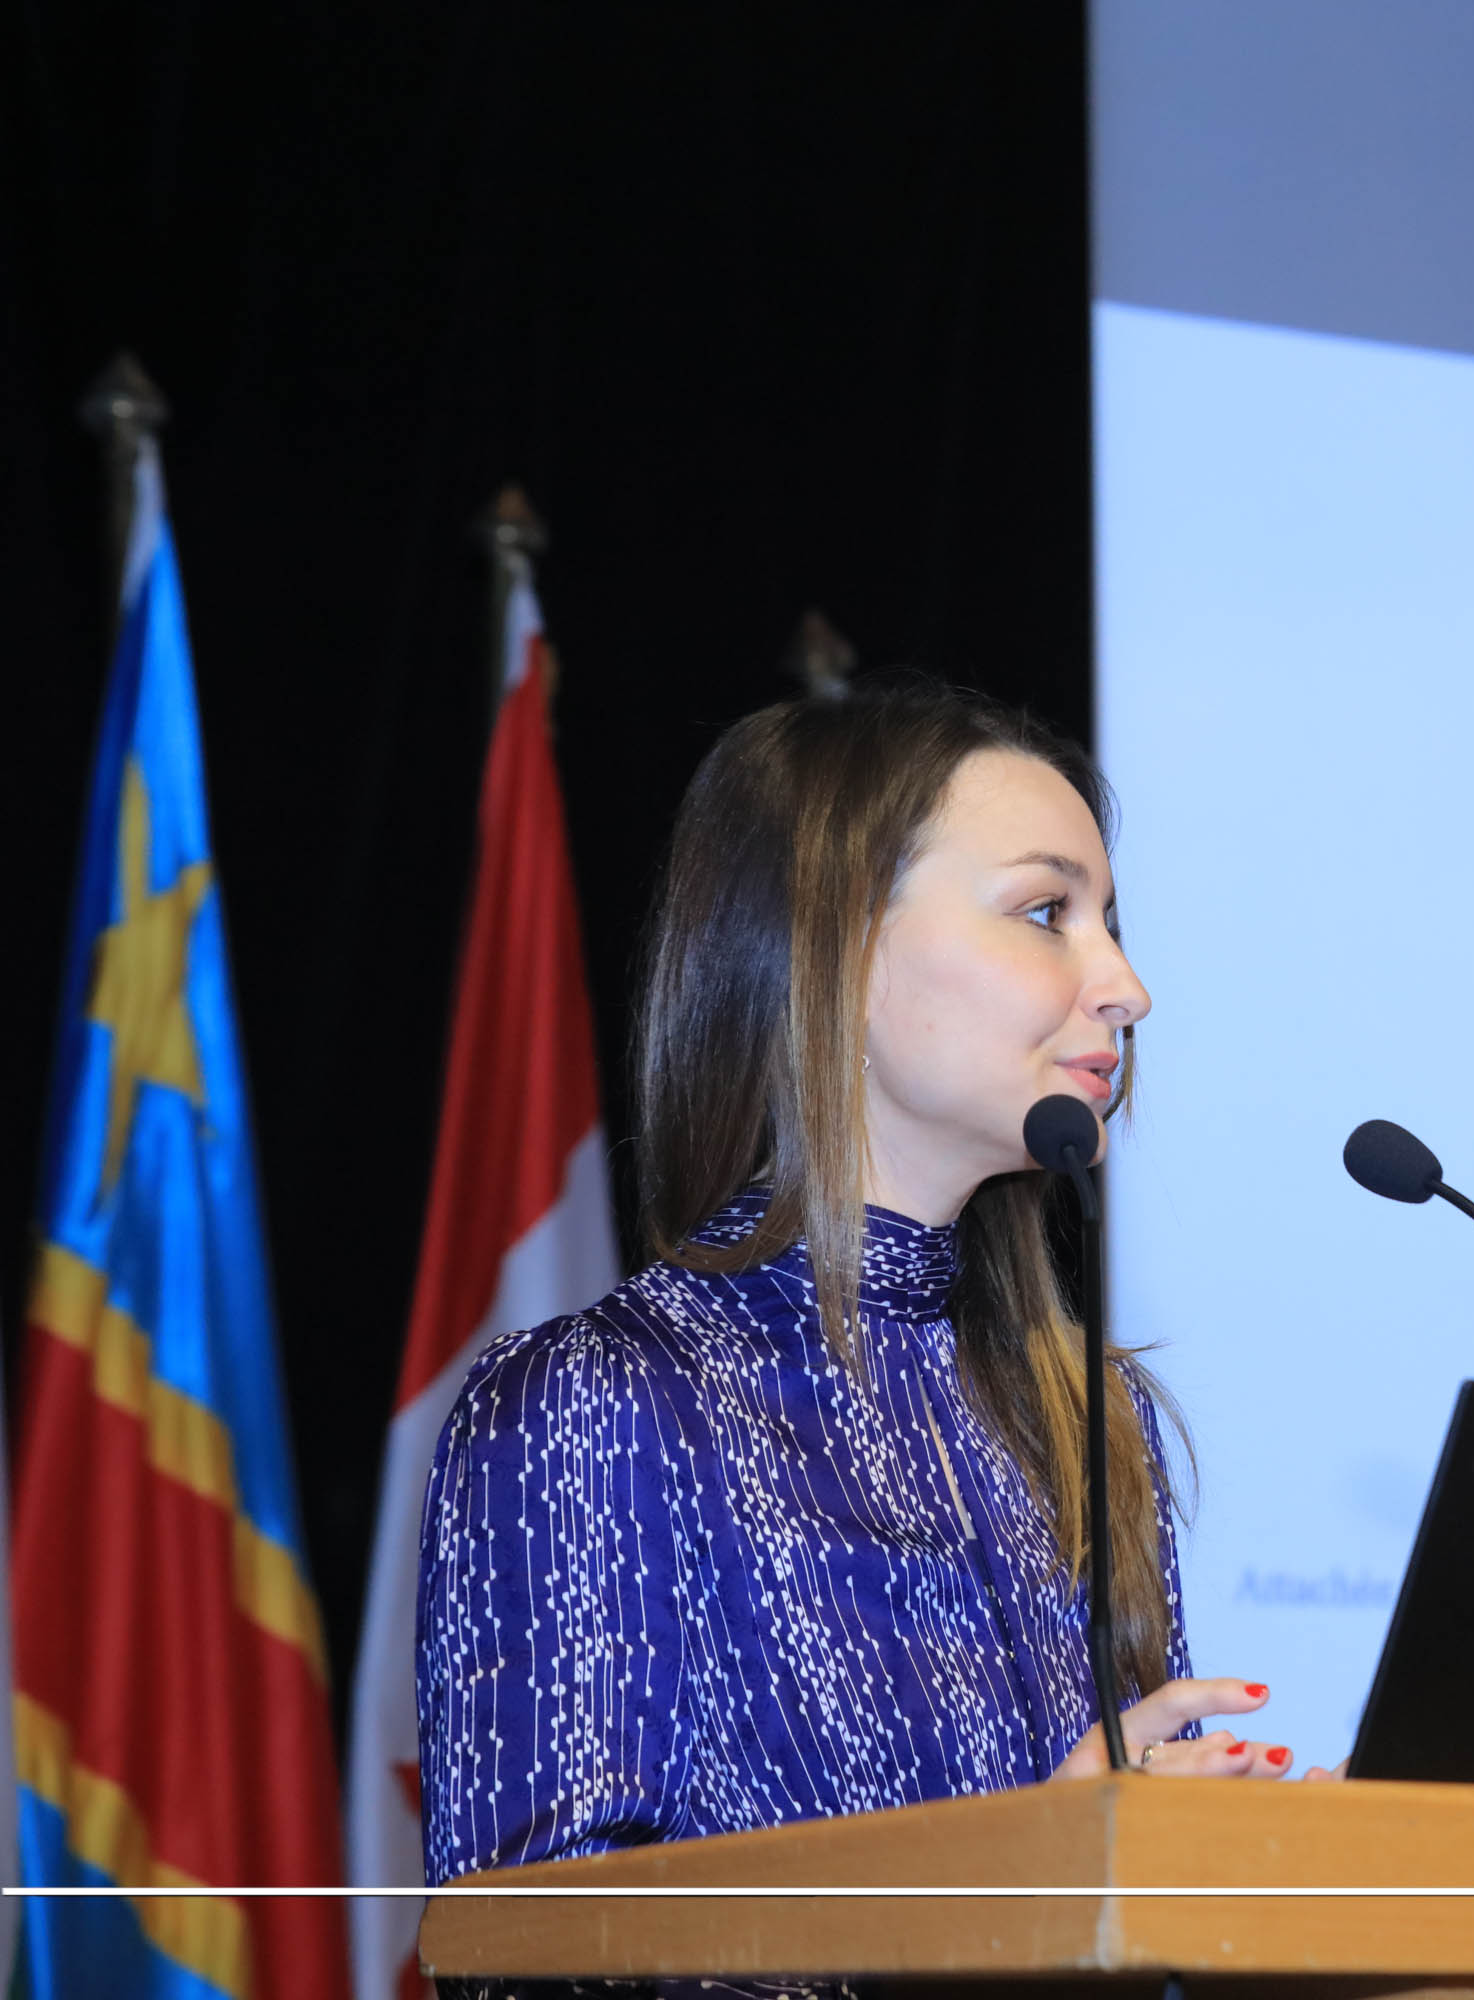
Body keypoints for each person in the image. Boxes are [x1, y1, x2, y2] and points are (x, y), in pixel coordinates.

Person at [417, 677, 1322, 1902]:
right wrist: (1005, 1894)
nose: (1125, 984)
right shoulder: (594, 1404)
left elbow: (1114, 1900)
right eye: (1047, 910)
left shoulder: (1089, 1414)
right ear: (833, 941)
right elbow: (535, 1956)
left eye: (1110, 921)